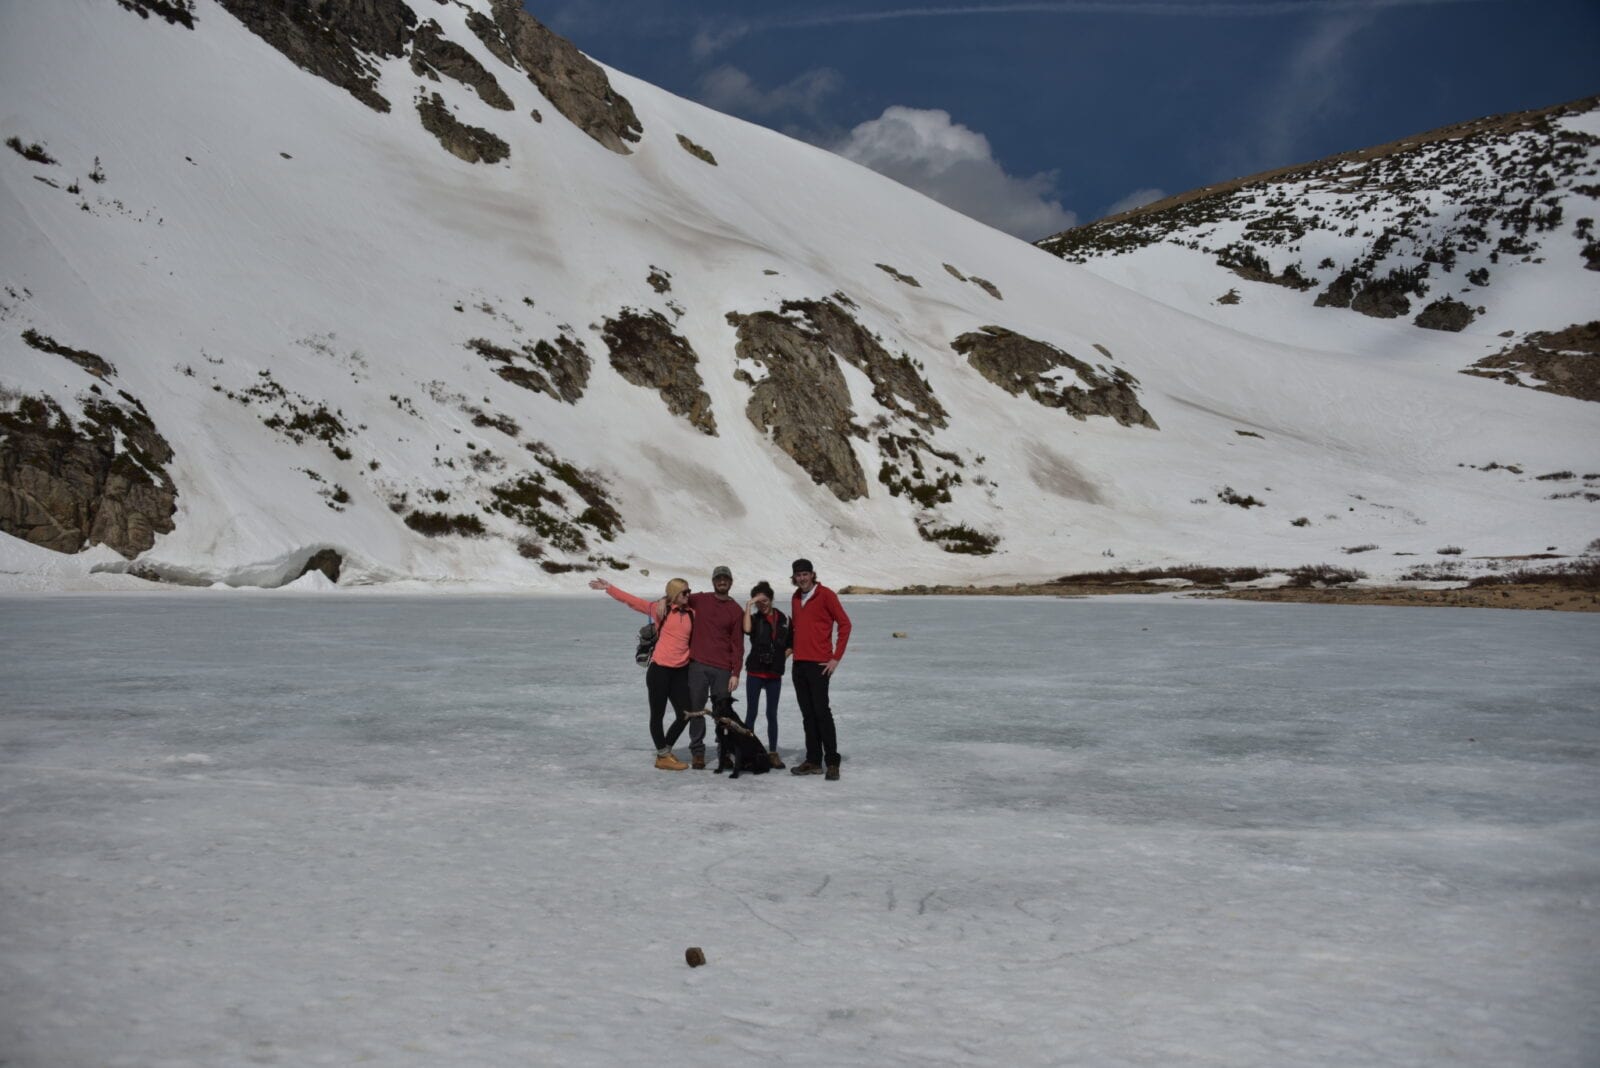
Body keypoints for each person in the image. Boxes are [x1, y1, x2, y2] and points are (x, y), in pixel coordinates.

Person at [589, 576, 695, 771]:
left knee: (686, 713)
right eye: (684, 592)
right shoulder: (660, 610)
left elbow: (707, 599)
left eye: (689, 592)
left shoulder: (692, 612)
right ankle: (663, 756)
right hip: (660, 670)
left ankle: (666, 750)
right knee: (658, 714)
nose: (689, 595)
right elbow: (633, 602)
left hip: (680, 671)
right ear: (674, 594)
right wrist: (610, 588)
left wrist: (665, 598)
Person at [787, 558, 851, 780]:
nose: (802, 578)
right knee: (808, 715)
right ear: (794, 577)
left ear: (812, 575)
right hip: (799, 664)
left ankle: (832, 761)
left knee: (822, 712)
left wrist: (836, 658)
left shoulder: (826, 595)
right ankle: (813, 760)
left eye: (806, 574)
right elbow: (797, 629)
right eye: (798, 574)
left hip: (820, 665)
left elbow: (845, 624)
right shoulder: (796, 598)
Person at [683, 565, 746, 769]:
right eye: (718, 578)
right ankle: (698, 752)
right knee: (697, 710)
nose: (722, 581)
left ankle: (724, 752)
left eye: (725, 578)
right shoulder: (701, 600)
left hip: (722, 669)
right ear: (713, 581)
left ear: (730, 582)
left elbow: (738, 645)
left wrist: (735, 672)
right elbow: (678, 596)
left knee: (723, 714)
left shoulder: (735, 610)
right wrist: (663, 602)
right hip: (698, 665)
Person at [742, 581, 790, 770]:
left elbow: (791, 643)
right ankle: (748, 752)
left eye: (766, 600)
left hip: (774, 674)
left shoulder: (784, 619)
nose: (763, 604)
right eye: (759, 602)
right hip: (755, 671)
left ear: (771, 598)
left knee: (772, 713)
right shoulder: (754, 619)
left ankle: (773, 753)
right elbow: (746, 630)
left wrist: (781, 657)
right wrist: (748, 605)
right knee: (751, 713)